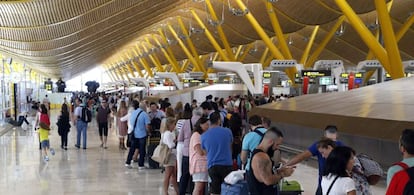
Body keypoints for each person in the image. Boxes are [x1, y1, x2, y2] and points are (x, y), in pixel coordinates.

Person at [285, 125, 345, 195]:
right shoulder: (340, 146)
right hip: (331, 185)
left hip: (330, 186)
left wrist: (286, 165)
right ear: (337, 135)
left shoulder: (322, 145)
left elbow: (302, 156)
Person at [248, 127, 293, 195]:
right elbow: (268, 180)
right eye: (277, 144)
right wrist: (283, 174)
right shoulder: (261, 157)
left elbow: (264, 174)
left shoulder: (260, 154)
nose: (277, 148)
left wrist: (279, 171)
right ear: (270, 141)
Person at [201, 111, 233, 195]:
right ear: (219, 120)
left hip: (212, 165)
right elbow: (230, 146)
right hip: (227, 164)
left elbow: (204, 152)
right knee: (227, 190)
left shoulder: (204, 135)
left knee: (215, 190)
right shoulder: (227, 131)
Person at [125, 100, 150, 169]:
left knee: (132, 149)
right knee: (142, 150)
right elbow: (147, 126)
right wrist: (148, 132)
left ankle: (128, 162)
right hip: (142, 134)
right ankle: (140, 165)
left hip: (134, 134)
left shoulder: (133, 113)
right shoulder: (144, 114)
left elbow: (131, 123)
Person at [189, 117, 209, 195]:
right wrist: (209, 151)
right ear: (201, 125)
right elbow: (199, 151)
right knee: (198, 187)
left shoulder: (202, 135)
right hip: (198, 164)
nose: (208, 126)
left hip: (203, 164)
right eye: (206, 124)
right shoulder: (196, 135)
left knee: (201, 187)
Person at [177, 104, 194, 195]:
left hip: (184, 149)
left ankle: (182, 191)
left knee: (183, 172)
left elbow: (180, 138)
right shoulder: (200, 122)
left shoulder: (182, 122)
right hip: (195, 151)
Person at [162, 117, 179, 195]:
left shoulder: (168, 133)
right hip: (170, 155)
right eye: (173, 124)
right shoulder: (168, 133)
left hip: (172, 155)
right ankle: (165, 191)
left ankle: (177, 191)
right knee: (168, 175)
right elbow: (170, 145)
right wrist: (175, 141)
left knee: (173, 175)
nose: (174, 126)